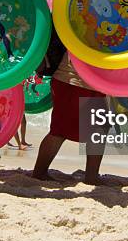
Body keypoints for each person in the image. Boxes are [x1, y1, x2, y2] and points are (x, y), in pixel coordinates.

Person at [32, 26, 107, 185]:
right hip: (72, 79)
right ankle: (40, 172)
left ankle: (92, 176)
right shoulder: (78, 12)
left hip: (93, 82)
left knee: (98, 129)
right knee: (60, 131)